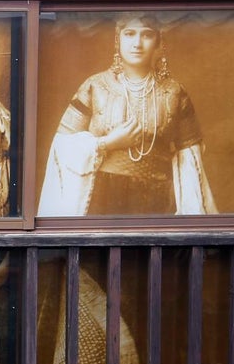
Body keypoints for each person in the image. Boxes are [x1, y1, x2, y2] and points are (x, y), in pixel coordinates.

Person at [38, 13, 217, 216]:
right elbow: (61, 146)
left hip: (159, 201)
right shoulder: (95, 86)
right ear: (118, 40)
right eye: (130, 34)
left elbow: (191, 159)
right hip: (103, 198)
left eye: (147, 35)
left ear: (158, 41)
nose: (137, 44)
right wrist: (107, 143)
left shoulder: (174, 92)